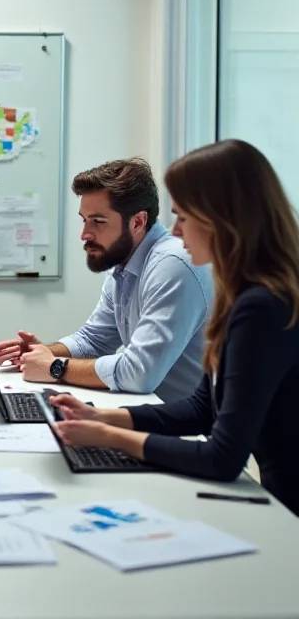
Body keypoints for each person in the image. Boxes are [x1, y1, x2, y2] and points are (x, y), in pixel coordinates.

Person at [47, 140, 299, 516]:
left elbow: (223, 457)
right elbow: (204, 408)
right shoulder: (244, 292)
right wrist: (104, 416)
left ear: (222, 219)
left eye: (183, 217)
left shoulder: (263, 307)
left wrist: (110, 438)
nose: (175, 232)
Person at [0, 157, 212, 401]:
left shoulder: (173, 263)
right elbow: (94, 340)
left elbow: (139, 373)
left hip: (190, 430)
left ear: (138, 222)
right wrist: (39, 354)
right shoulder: (124, 260)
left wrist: (56, 368)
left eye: (98, 222)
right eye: (84, 220)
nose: (85, 234)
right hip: (151, 413)